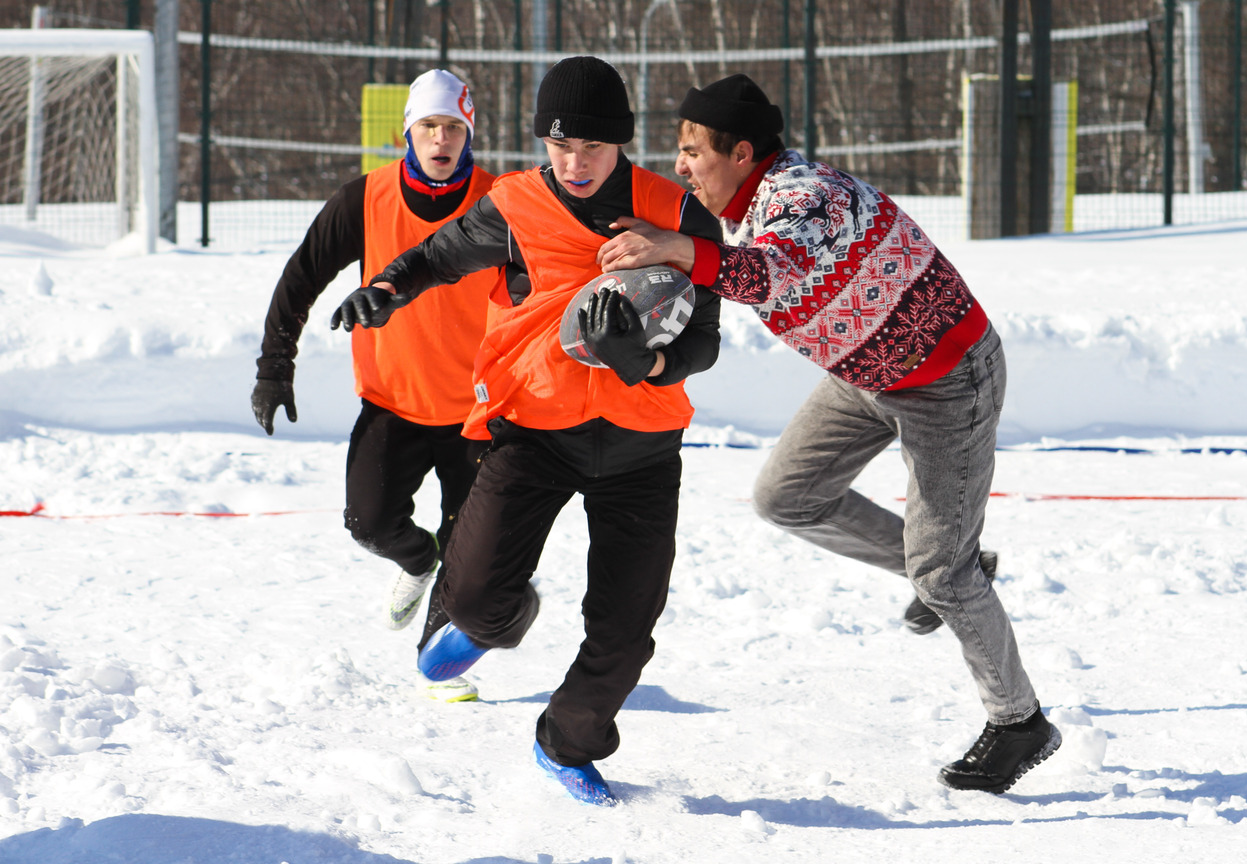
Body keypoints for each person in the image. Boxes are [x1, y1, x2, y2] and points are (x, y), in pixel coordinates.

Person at [595, 73, 1061, 795]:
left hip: (947, 379)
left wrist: (681, 252)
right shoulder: (737, 205)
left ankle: (1019, 721)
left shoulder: (805, 196)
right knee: (786, 496)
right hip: (868, 373)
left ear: (742, 151)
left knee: (944, 571)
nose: (680, 165)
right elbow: (721, 271)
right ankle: (943, 572)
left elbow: (770, 272)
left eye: (692, 150)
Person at [330, 56, 725, 805]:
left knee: (625, 630)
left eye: (593, 148)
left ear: (624, 144)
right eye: (558, 145)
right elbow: (440, 255)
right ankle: (499, 615)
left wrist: (645, 360)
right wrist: (386, 288)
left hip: (643, 448)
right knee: (476, 601)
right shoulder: (514, 205)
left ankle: (566, 741)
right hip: (534, 431)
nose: (574, 165)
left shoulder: (676, 212)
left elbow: (704, 341)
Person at [251, 70, 496, 701]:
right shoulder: (366, 198)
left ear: (469, 134)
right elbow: (300, 277)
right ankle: (418, 561)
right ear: (406, 133)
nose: (440, 140)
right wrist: (274, 368)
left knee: (471, 554)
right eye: (428, 127)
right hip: (394, 402)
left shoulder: (502, 200)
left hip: (480, 412)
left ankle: (438, 663)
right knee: (368, 522)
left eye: (453, 127)